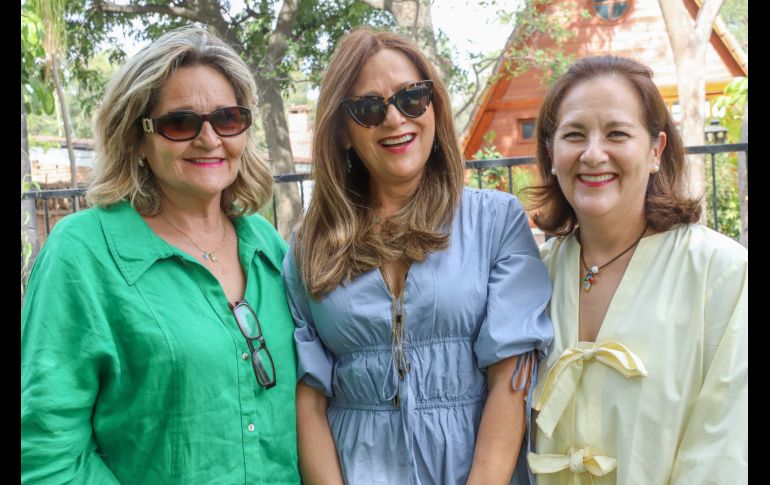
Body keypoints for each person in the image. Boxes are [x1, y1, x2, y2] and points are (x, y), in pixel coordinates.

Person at [21, 26, 299, 483]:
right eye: (180, 122)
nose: (209, 139)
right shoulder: (84, 254)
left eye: (227, 119)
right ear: (137, 139)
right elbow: (46, 455)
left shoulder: (266, 245)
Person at [281, 28, 554, 485]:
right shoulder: (310, 246)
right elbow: (308, 394)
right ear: (343, 132)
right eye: (368, 108)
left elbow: (512, 377)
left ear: (434, 106)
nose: (394, 119)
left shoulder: (495, 221)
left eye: (412, 98)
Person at [524, 55, 748, 484]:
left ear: (655, 150)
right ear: (552, 153)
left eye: (617, 133)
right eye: (574, 135)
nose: (593, 154)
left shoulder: (721, 274)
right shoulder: (533, 275)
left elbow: (724, 451)